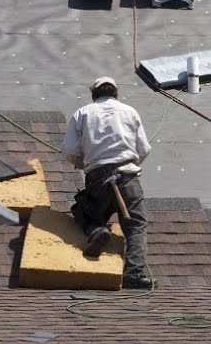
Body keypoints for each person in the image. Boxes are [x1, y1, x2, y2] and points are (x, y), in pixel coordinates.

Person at [62, 76, 155, 289]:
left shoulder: (83, 113)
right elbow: (144, 150)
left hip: (98, 179)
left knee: (84, 212)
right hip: (127, 177)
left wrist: (84, 163)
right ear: (116, 93)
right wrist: (129, 164)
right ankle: (134, 272)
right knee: (135, 224)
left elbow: (69, 150)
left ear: (94, 94)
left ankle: (96, 230)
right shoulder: (129, 112)